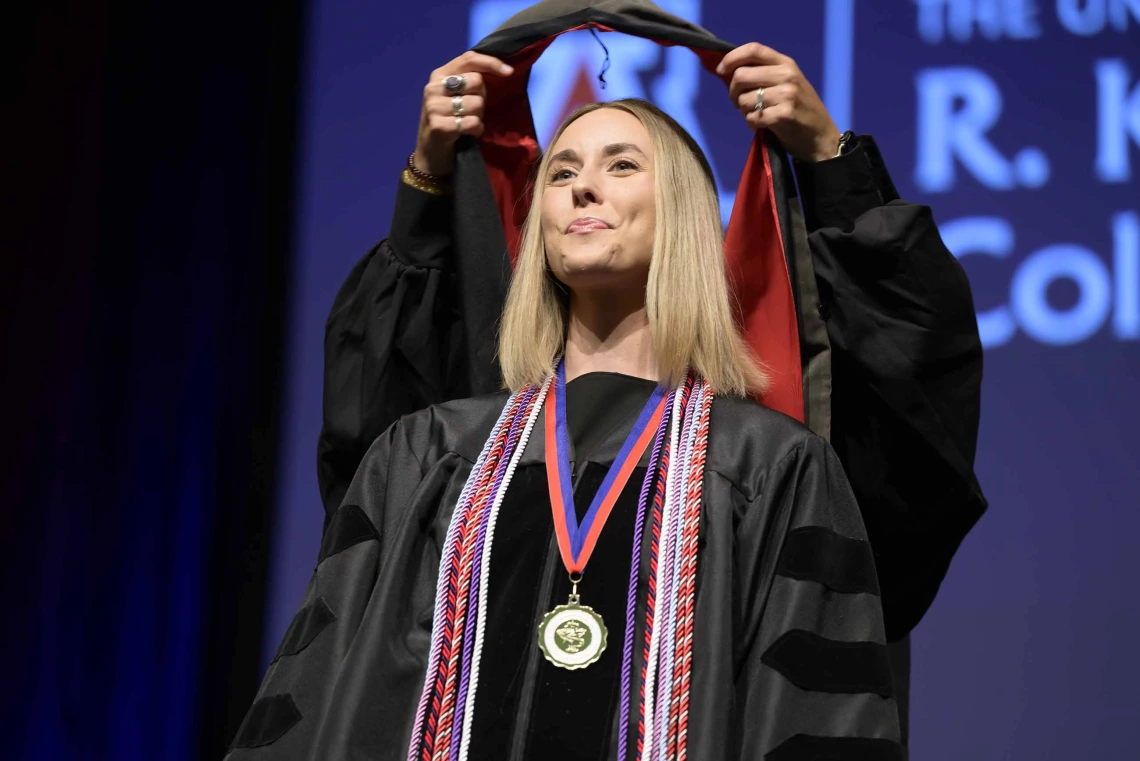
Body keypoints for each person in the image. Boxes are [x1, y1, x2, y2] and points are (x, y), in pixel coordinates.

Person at [229, 93, 902, 760]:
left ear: (686, 214)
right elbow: (330, 694)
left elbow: (812, 718)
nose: (583, 188)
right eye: (562, 171)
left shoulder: (768, 466)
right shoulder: (432, 453)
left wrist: (830, 159)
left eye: (622, 165)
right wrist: (429, 177)